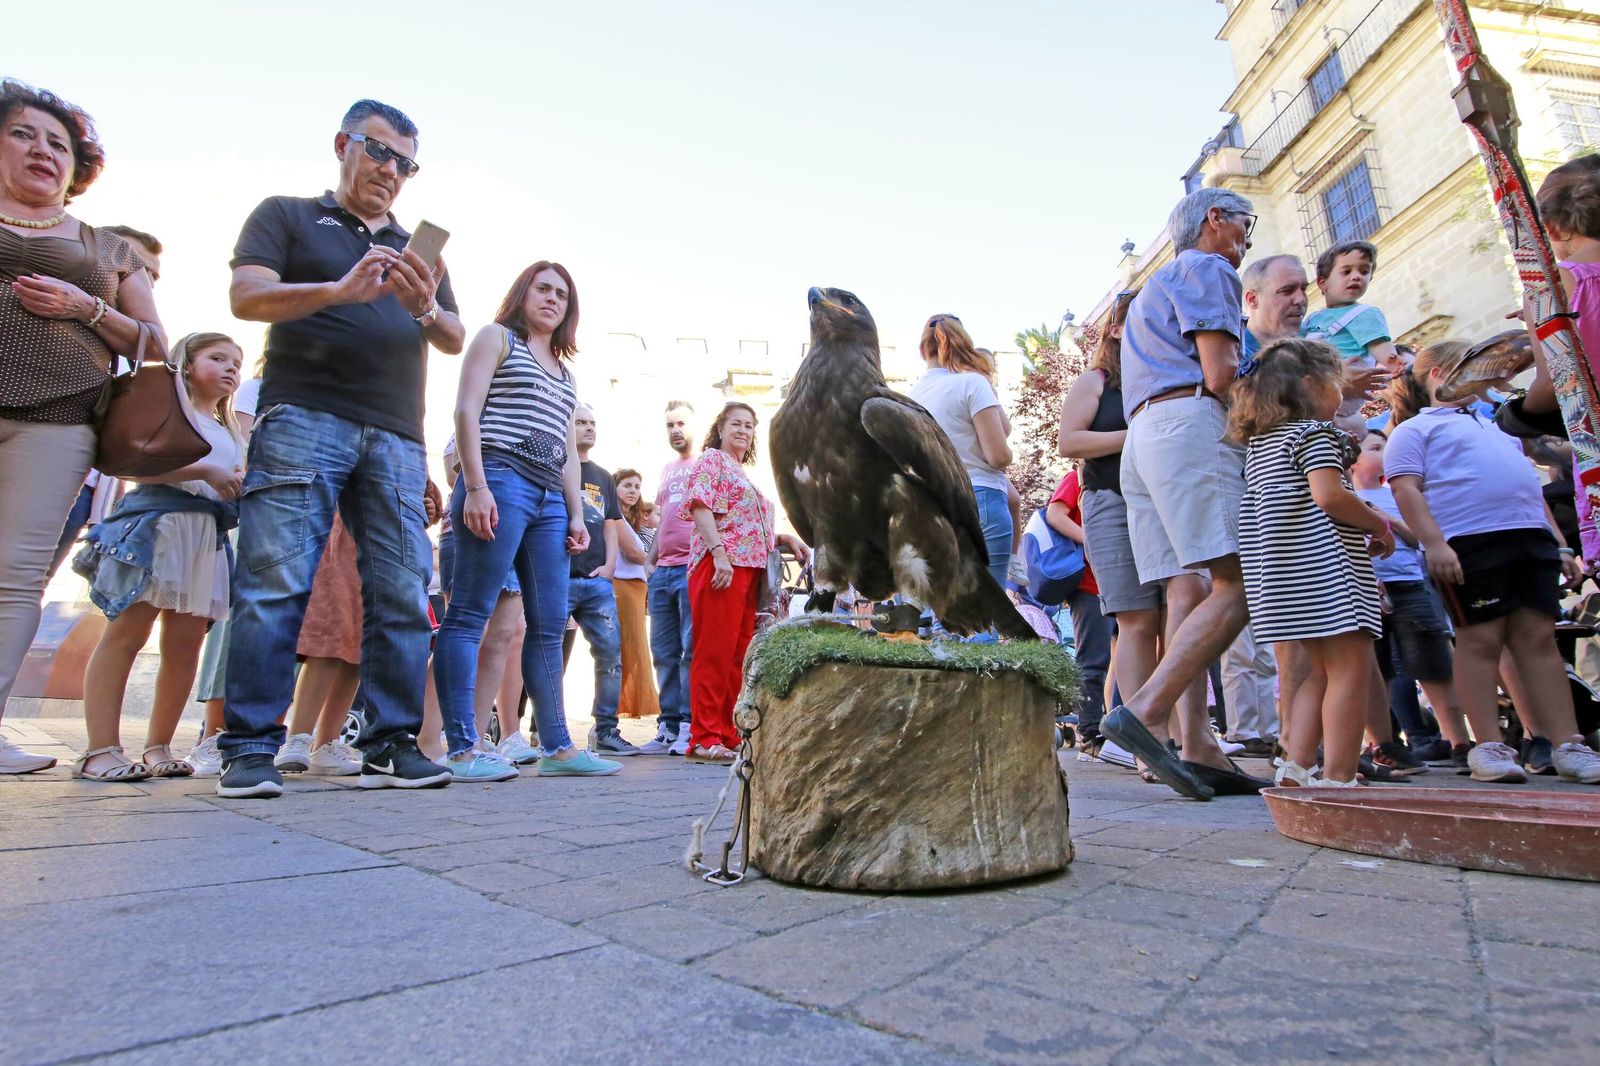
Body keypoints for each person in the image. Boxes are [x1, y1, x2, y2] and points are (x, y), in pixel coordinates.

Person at [220, 98, 465, 798]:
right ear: (343, 144)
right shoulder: (289, 216)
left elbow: (450, 335)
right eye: (379, 151)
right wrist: (337, 289)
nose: (391, 170)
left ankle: (389, 743)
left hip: (394, 433)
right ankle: (248, 749)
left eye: (406, 163)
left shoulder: (422, 251)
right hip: (303, 416)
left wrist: (422, 304)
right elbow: (246, 295)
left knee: (399, 589)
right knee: (275, 583)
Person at [0, 82, 165, 774]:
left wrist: (85, 308)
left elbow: (158, 347)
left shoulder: (109, 249)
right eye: (24, 134)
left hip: (57, 421)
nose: (43, 150)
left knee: (13, 577)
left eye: (58, 143)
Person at [1099, 187, 1261, 800]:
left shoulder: (1151, 292)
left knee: (1188, 589)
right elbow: (1221, 375)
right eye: (1246, 225)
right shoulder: (1207, 265)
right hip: (1188, 425)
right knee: (1238, 580)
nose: (1248, 240)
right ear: (1214, 220)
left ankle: (1199, 745)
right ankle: (1145, 714)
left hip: (1144, 437)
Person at [433, 261, 620, 779]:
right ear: (523, 293)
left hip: (548, 498)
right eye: (544, 288)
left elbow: (567, 451)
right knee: (469, 614)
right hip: (499, 476)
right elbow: (465, 412)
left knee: (546, 624)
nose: (553, 299)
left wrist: (576, 513)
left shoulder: (565, 374)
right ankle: (463, 749)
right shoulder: (497, 338)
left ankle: (559, 748)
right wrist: (475, 486)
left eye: (562, 294)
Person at [1386, 341, 1600, 784]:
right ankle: (1487, 745)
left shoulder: (1498, 424)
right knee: (1479, 640)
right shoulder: (1414, 430)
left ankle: (1568, 744)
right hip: (1469, 543)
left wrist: (1559, 544)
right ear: (1439, 376)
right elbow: (1406, 489)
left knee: (1539, 640)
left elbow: (1529, 488)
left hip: (1529, 540)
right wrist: (1435, 544)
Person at [71, 333, 245, 780]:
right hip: (157, 528)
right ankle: (100, 749)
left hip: (204, 536)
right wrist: (205, 469)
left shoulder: (230, 429)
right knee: (127, 634)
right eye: (218, 358)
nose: (230, 369)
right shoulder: (169, 409)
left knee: (185, 646)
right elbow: (126, 462)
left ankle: (159, 746)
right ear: (186, 363)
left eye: (236, 363)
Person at [1229, 338, 1392, 787]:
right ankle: (1339, 776)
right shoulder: (1314, 435)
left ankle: (1297, 766)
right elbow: (1329, 495)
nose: (1341, 392)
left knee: (1317, 673)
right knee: (1350, 669)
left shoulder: (1261, 446)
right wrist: (1377, 524)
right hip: (1327, 574)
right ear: (1309, 385)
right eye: (1335, 381)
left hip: (1283, 578)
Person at [1058, 289, 1168, 757]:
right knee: (1137, 619)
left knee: (1177, 618)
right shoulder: (1097, 382)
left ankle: (1179, 733)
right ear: (1117, 329)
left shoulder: (1170, 377)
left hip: (1166, 503)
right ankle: (1148, 740)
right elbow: (1070, 441)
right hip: (1112, 502)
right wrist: (1137, 433)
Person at [683, 401, 810, 762]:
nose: (742, 430)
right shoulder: (712, 460)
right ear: (720, 429)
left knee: (737, 654)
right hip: (723, 567)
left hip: (748, 570)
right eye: (735, 423)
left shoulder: (740, 472)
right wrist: (719, 554)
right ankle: (704, 736)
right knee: (714, 651)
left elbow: (749, 525)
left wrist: (784, 538)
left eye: (749, 426)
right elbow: (699, 505)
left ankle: (724, 731)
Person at [1348, 430, 1478, 768]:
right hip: (1363, 588)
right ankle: (1384, 744)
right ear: (1353, 458)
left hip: (1407, 585)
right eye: (1376, 447)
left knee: (1433, 663)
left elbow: (1418, 536)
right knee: (1375, 669)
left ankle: (1458, 741)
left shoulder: (1399, 494)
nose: (1386, 452)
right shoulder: (1344, 493)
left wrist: (1380, 517)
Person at [46, 226, 162, 579]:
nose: (146, 281)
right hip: (31, 456)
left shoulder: (132, 351)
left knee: (28, 581)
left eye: (152, 276)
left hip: (84, 488)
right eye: (136, 267)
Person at [910, 315, 1013, 588]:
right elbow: (999, 456)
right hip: (978, 498)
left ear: (922, 351)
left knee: (943, 616)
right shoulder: (972, 385)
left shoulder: (908, 399)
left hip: (929, 507)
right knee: (985, 616)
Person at [564, 404, 638, 756]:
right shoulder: (556, 467)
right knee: (545, 653)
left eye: (592, 423)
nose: (588, 428)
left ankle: (606, 730)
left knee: (610, 655)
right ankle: (537, 730)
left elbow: (611, 523)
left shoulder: (604, 476)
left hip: (596, 582)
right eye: (580, 422)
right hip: (558, 577)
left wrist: (610, 565)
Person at [642, 401, 698, 755]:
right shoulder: (666, 470)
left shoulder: (708, 463)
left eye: (680, 423)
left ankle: (690, 724)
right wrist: (651, 560)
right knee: (662, 651)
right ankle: (668, 725)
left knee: (690, 650)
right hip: (662, 572)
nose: (675, 430)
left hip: (692, 568)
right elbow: (662, 519)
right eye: (669, 426)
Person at [1300, 239, 1398, 439]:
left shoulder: (1364, 313)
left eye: (1364, 272)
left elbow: (1380, 346)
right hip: (1319, 394)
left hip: (1346, 393)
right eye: (1346, 272)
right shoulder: (1311, 320)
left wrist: (1393, 361)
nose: (1356, 277)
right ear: (1322, 282)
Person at [1043, 469, 1111, 740]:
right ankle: (1090, 732)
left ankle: (1118, 724)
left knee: (1116, 661)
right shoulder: (1078, 477)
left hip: (1120, 581)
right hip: (1091, 584)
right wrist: (1091, 540)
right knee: (1093, 660)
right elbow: (1055, 514)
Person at [612, 467, 661, 722]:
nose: (633, 491)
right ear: (615, 488)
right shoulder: (614, 516)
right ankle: (608, 719)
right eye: (627, 485)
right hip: (623, 585)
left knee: (635, 652)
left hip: (637, 587)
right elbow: (635, 554)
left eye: (637, 487)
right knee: (627, 651)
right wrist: (655, 561)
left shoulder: (635, 520)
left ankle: (612, 717)